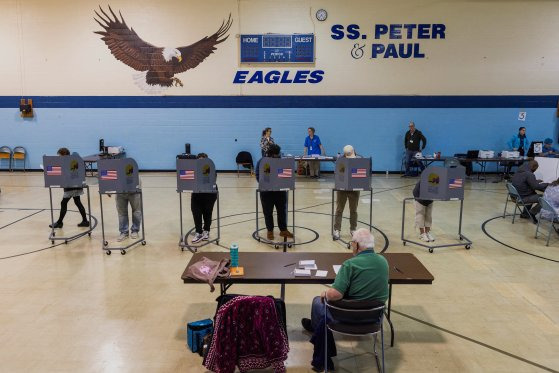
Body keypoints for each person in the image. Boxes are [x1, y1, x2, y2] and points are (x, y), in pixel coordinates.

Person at [301, 228, 388, 371]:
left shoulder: (350, 264)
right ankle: (316, 328)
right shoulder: (383, 261)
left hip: (348, 317)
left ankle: (322, 353)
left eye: (352, 243)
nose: (351, 246)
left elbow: (336, 295)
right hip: (373, 318)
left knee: (318, 302)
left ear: (358, 245)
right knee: (323, 309)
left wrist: (326, 292)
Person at [255, 144, 293, 240]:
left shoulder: (281, 161)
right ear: (271, 154)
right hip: (266, 191)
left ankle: (283, 230)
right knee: (268, 212)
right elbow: (258, 175)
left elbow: (284, 175)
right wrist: (265, 184)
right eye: (277, 154)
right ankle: (270, 231)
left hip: (280, 191)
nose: (278, 155)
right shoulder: (263, 162)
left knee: (281, 211)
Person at [48, 148, 89, 229]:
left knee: (63, 203)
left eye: (60, 155)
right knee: (78, 202)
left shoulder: (67, 162)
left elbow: (67, 174)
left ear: (63, 155)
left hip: (71, 186)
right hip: (77, 185)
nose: (59, 157)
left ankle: (59, 222)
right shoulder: (73, 159)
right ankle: (85, 221)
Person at [333, 145, 360, 240]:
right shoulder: (340, 161)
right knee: (339, 210)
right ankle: (337, 229)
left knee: (353, 210)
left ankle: (353, 229)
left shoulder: (359, 160)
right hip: (342, 189)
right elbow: (336, 174)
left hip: (354, 189)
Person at [190, 153, 218, 243]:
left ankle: (206, 231)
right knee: (196, 212)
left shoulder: (211, 168)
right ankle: (198, 232)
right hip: (197, 193)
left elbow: (211, 180)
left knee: (207, 212)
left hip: (210, 194)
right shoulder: (194, 170)